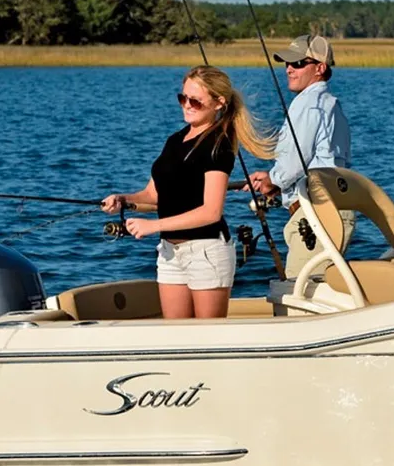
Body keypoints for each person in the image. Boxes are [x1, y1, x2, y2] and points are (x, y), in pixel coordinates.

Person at [102, 66, 274, 319]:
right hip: (170, 253)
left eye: (195, 100)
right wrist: (124, 200)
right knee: (176, 337)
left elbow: (211, 212)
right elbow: (154, 196)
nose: (187, 105)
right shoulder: (175, 140)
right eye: (183, 98)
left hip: (206, 252)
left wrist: (153, 226)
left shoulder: (219, 146)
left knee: (207, 340)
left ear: (218, 103)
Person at [246, 34, 354, 279]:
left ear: (320, 68)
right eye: (287, 64)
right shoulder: (330, 103)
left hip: (317, 216)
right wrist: (274, 180)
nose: (289, 69)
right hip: (330, 211)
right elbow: (314, 160)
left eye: (298, 63)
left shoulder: (308, 103)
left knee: (301, 291)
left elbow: (296, 160)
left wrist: (272, 181)